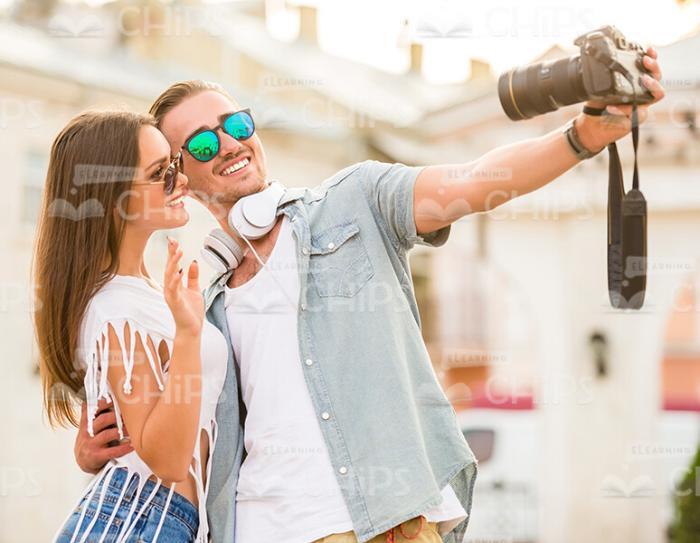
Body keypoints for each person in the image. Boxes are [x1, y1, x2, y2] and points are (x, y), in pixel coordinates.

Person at [74, 46, 665, 543]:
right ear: (180, 176)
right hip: (260, 527)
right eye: (201, 145)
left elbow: (477, 181)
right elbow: (162, 425)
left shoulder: (355, 199)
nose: (228, 145)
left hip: (390, 520)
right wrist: (92, 446)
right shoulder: (196, 300)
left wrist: (584, 135)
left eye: (236, 125)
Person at [34, 111, 228, 542]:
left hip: (150, 521)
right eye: (160, 174)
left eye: (175, 167)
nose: (181, 183)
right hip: (145, 521)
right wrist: (189, 334)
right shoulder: (118, 308)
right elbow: (170, 460)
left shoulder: (135, 294)